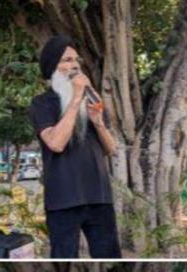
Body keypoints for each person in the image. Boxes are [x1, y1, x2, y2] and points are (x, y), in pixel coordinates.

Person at [29, 35, 121, 258]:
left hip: (99, 197)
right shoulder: (42, 103)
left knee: (109, 256)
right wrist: (77, 96)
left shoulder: (89, 102)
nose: (75, 65)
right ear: (53, 67)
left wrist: (98, 122)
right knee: (64, 257)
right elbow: (56, 143)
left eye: (76, 60)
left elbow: (111, 149)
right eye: (67, 60)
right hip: (63, 200)